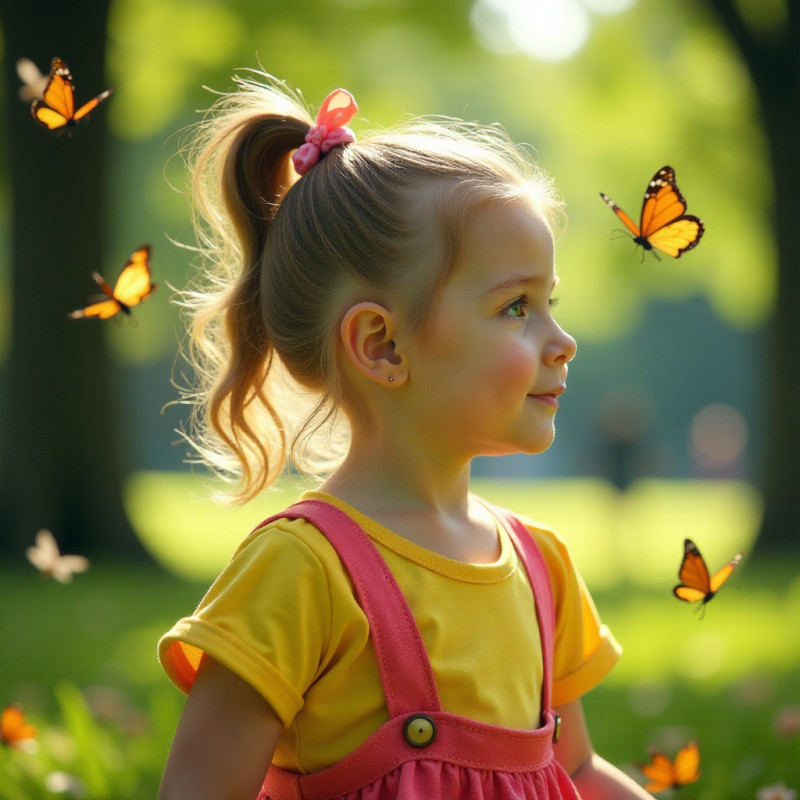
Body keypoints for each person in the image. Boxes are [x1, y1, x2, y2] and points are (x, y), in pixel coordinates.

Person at [157, 73, 654, 800]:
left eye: (552, 303)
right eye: (517, 307)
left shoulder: (542, 566)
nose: (564, 340)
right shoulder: (301, 572)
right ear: (383, 345)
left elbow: (574, 769)